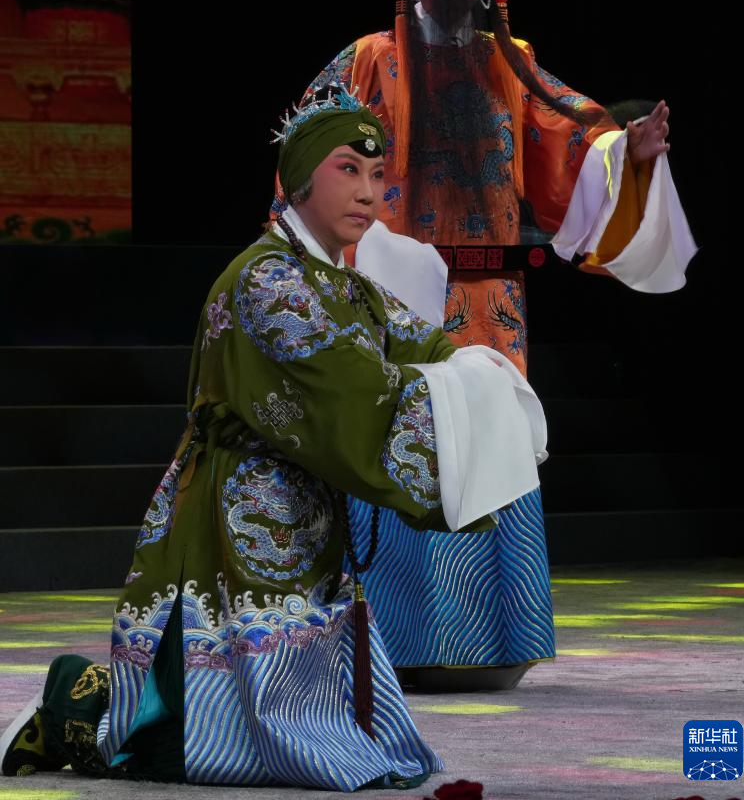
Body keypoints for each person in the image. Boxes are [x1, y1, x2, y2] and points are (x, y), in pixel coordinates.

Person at [1, 89, 548, 790]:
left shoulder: (344, 284)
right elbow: (355, 392)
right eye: (347, 169)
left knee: (299, 715)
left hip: (302, 514)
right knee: (190, 743)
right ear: (298, 180)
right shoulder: (269, 282)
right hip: (232, 519)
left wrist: (478, 372)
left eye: (377, 175)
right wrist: (466, 396)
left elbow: (423, 344)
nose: (368, 192)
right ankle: (67, 706)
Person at [274, 0, 697, 679]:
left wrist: (630, 152)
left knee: (489, 448)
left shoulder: (515, 64)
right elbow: (305, 159)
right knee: (399, 445)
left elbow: (571, 140)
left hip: (491, 300)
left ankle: (489, 642)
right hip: (390, 294)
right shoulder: (369, 60)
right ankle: (390, 644)